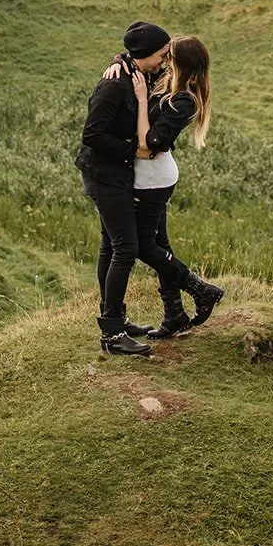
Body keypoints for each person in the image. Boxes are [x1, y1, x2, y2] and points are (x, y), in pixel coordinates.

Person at [101, 34, 223, 339]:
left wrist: (142, 102)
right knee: (160, 243)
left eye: (170, 57)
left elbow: (149, 142)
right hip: (148, 176)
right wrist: (118, 61)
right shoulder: (167, 80)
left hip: (154, 180)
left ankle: (201, 289)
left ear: (183, 64)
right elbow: (138, 54)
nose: (165, 60)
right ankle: (175, 314)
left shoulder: (184, 100)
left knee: (142, 246)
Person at [75, 21, 169, 355]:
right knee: (126, 248)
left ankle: (114, 319)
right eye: (161, 55)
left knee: (110, 245)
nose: (165, 60)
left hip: (118, 173)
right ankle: (112, 336)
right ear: (145, 56)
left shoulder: (138, 73)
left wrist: (119, 57)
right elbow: (92, 136)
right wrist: (133, 149)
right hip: (104, 175)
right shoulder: (112, 86)